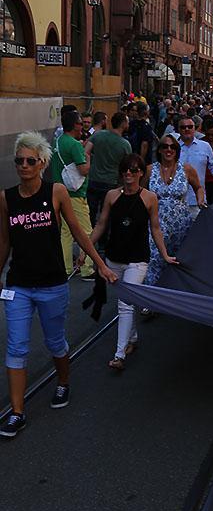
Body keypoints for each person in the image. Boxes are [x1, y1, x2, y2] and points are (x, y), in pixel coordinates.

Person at [0, 131, 116, 438]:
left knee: (55, 342)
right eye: (19, 160)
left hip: (52, 284)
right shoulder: (6, 198)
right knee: (16, 346)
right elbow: (3, 243)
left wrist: (100, 264)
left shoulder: (57, 192)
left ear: (41, 163)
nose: (23, 166)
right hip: (18, 286)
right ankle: (17, 412)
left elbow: (77, 231)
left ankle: (63, 382)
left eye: (30, 161)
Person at [85, 154, 177, 370]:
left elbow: (155, 228)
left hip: (138, 260)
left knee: (125, 304)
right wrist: (86, 249)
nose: (129, 173)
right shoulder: (111, 196)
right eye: (125, 169)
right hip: (113, 259)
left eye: (134, 170)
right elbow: (101, 224)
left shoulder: (149, 198)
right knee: (126, 301)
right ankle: (132, 338)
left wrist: (164, 254)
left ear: (140, 174)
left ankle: (119, 355)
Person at [144, 138, 200, 284]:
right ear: (160, 150)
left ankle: (175, 294)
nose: (169, 150)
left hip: (181, 223)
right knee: (155, 258)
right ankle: (152, 297)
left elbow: (198, 188)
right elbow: (141, 192)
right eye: (165, 146)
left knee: (179, 259)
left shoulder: (186, 169)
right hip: (156, 221)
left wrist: (200, 201)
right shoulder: (150, 170)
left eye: (172, 147)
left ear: (177, 150)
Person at [51, 109, 95, 279]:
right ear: (76, 125)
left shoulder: (57, 141)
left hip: (59, 192)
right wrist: (88, 157)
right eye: (81, 122)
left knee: (65, 232)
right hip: (76, 194)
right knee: (86, 231)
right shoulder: (75, 144)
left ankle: (66, 267)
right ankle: (87, 268)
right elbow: (83, 170)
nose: (83, 125)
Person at [86, 111, 132, 227]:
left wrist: (88, 167)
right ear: (123, 124)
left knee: (90, 212)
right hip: (111, 182)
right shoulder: (125, 145)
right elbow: (127, 165)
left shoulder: (98, 135)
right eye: (127, 121)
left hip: (93, 179)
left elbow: (85, 151)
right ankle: (103, 241)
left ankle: (89, 236)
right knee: (106, 214)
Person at [175, 116, 213, 218]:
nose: (187, 129)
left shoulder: (205, 146)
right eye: (183, 127)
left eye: (190, 127)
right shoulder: (172, 147)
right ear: (178, 130)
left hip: (198, 201)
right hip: (177, 202)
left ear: (195, 128)